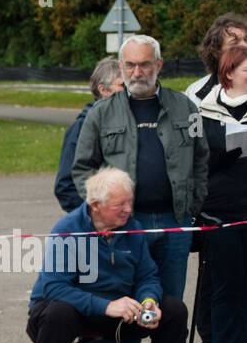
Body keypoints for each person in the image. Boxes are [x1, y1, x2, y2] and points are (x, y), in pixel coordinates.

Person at [18, 168, 196, 343]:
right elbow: (54, 287)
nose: (127, 209)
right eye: (119, 204)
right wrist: (107, 306)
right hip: (76, 314)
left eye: (129, 202)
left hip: (119, 315)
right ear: (95, 205)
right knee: (58, 312)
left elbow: (148, 276)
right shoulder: (68, 229)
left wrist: (148, 301)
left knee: (173, 309)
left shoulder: (132, 229)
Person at [72, 35, 208, 301]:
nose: (137, 72)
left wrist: (194, 206)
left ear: (159, 64)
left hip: (175, 222)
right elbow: (81, 169)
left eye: (145, 64)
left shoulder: (187, 107)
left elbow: (201, 158)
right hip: (125, 224)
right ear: (121, 65)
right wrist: (101, 213)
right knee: (126, 303)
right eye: (130, 65)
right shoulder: (100, 113)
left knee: (170, 308)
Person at [186, 14, 247, 343]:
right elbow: (196, 152)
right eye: (235, 43)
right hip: (218, 212)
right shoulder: (198, 97)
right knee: (221, 288)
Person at [55, 58, 124, 211]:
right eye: (122, 85)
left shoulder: (128, 123)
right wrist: (95, 215)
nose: (129, 91)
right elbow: (65, 187)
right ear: (103, 90)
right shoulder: (81, 127)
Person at [186, 14, 247, 105]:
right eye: (235, 43)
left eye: (246, 40)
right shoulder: (195, 93)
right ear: (216, 51)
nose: (245, 46)